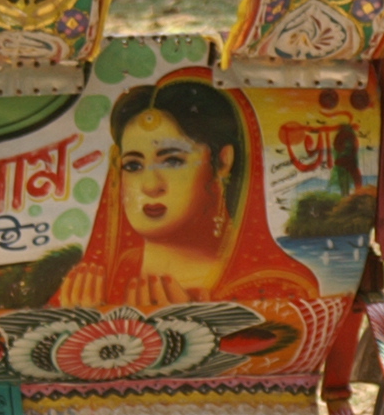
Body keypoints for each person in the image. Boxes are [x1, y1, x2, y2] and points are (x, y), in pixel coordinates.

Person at [55, 76, 322, 312]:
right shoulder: (95, 281)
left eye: (172, 161)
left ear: (223, 161)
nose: (150, 186)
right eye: (133, 166)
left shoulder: (279, 286)